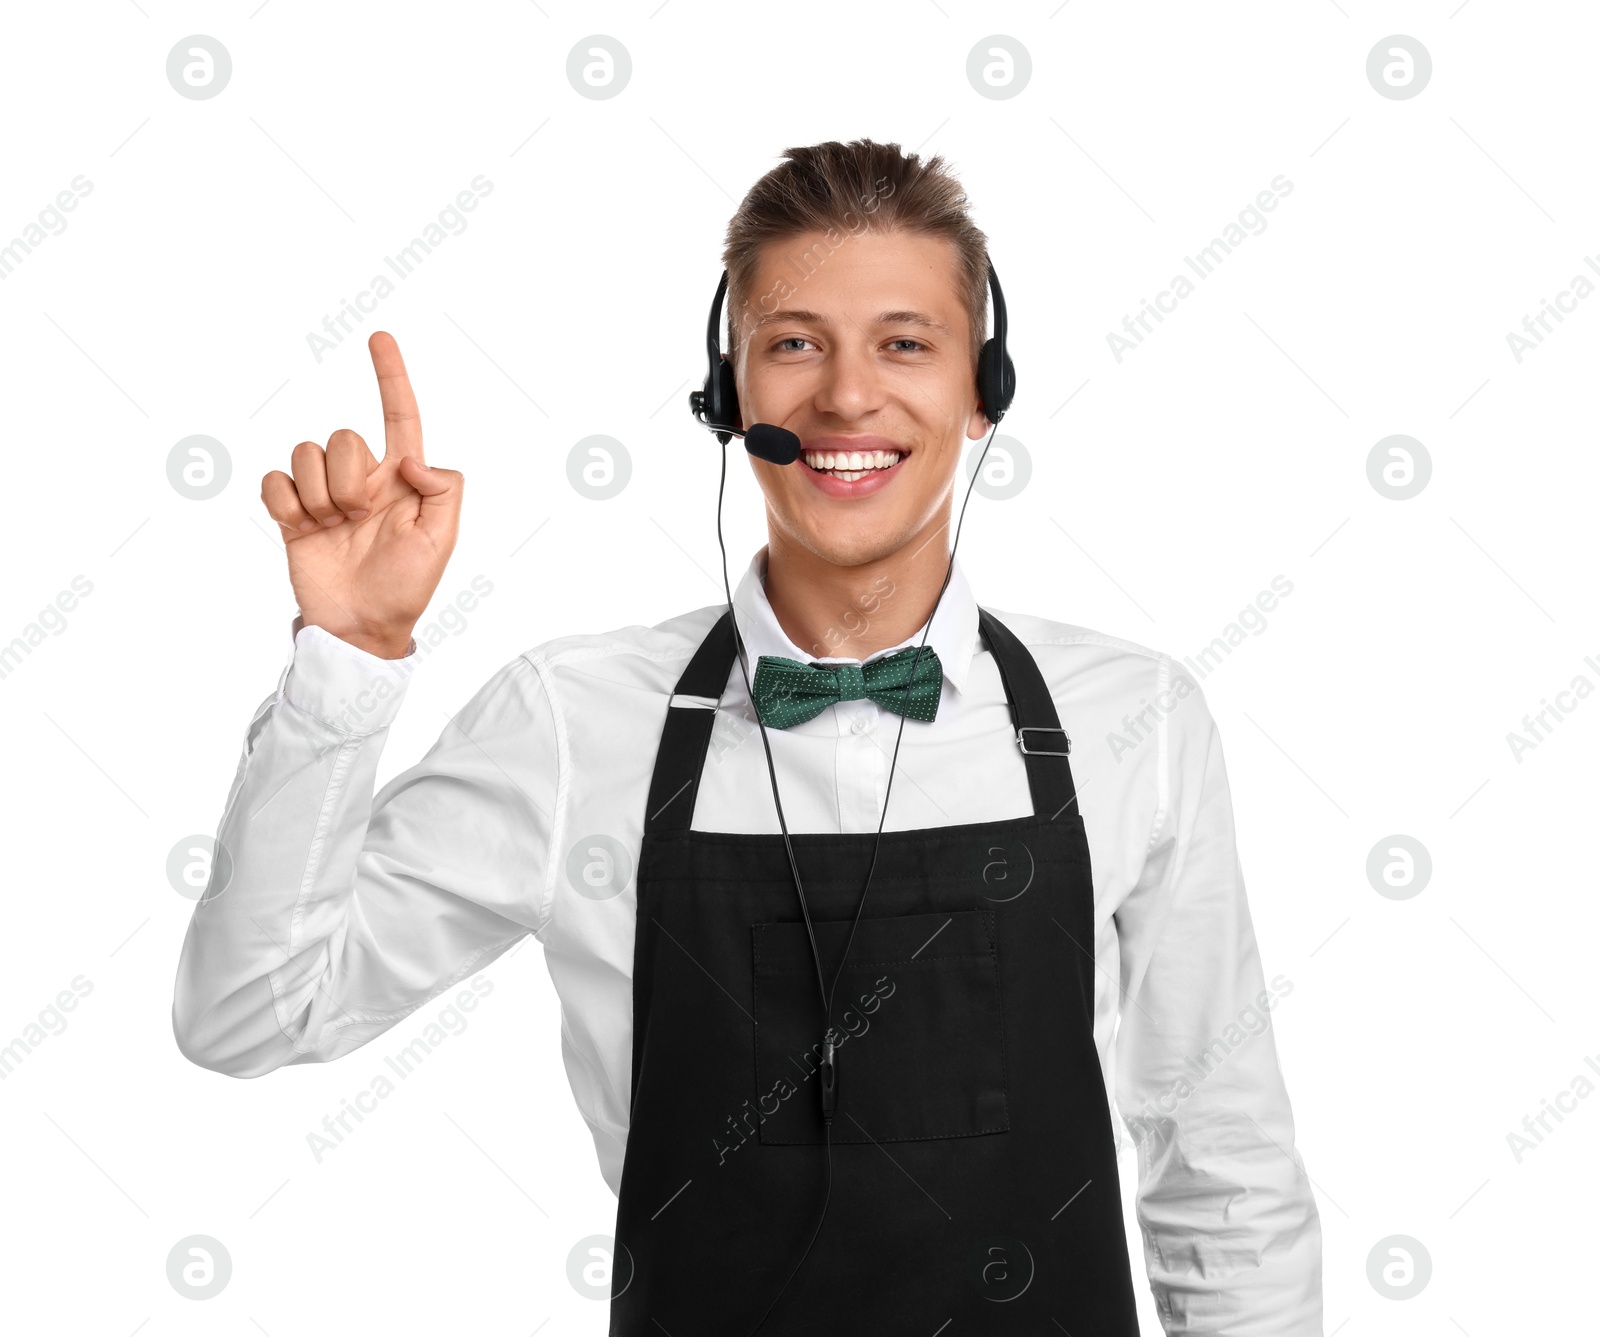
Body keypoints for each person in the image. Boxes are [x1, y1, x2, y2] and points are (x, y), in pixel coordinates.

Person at [172, 139, 1323, 1334]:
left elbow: (1220, 1163)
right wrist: (347, 661)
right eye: (792, 343)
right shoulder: (573, 721)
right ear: (728, 397)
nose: (845, 395)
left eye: (905, 343)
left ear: (984, 390)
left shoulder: (1131, 717)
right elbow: (250, 1013)